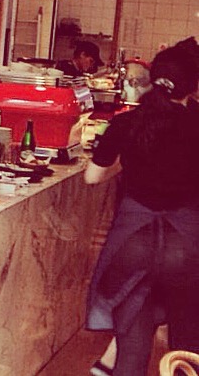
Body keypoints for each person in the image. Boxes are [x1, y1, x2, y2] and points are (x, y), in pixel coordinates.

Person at [84, 45, 199, 375]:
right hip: (187, 245)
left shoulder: (127, 122)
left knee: (132, 348)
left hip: (133, 242)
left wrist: (128, 164)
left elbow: (92, 177)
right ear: (193, 86)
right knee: (187, 349)